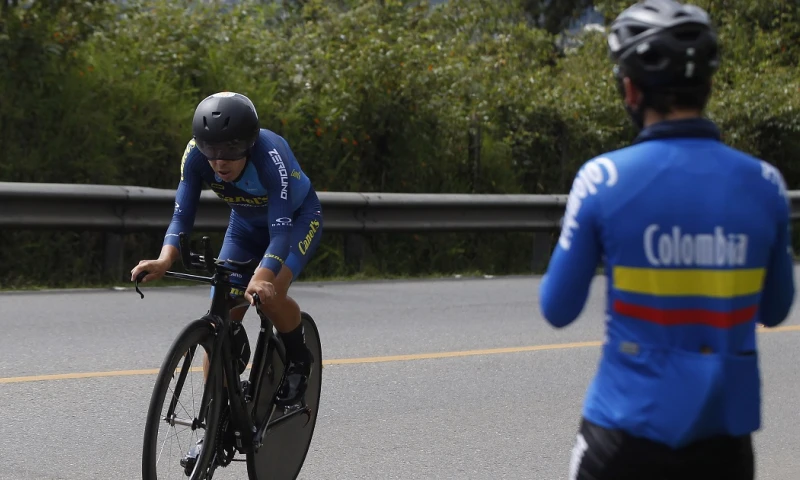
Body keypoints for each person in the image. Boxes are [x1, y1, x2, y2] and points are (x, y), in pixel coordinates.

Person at [538, 1, 795, 479]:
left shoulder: (602, 179)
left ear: (630, 90)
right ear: (709, 87)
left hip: (623, 432)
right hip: (724, 443)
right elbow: (776, 309)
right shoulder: (766, 184)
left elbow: (558, 308)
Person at [130, 91, 322, 462]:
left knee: (269, 295)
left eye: (231, 151)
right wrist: (165, 258)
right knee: (222, 317)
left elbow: (280, 232)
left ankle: (299, 357)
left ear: (249, 143)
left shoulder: (271, 157)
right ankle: (216, 422)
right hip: (245, 227)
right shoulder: (196, 157)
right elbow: (182, 213)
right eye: (211, 151)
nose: (219, 162)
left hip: (295, 222)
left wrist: (264, 276)